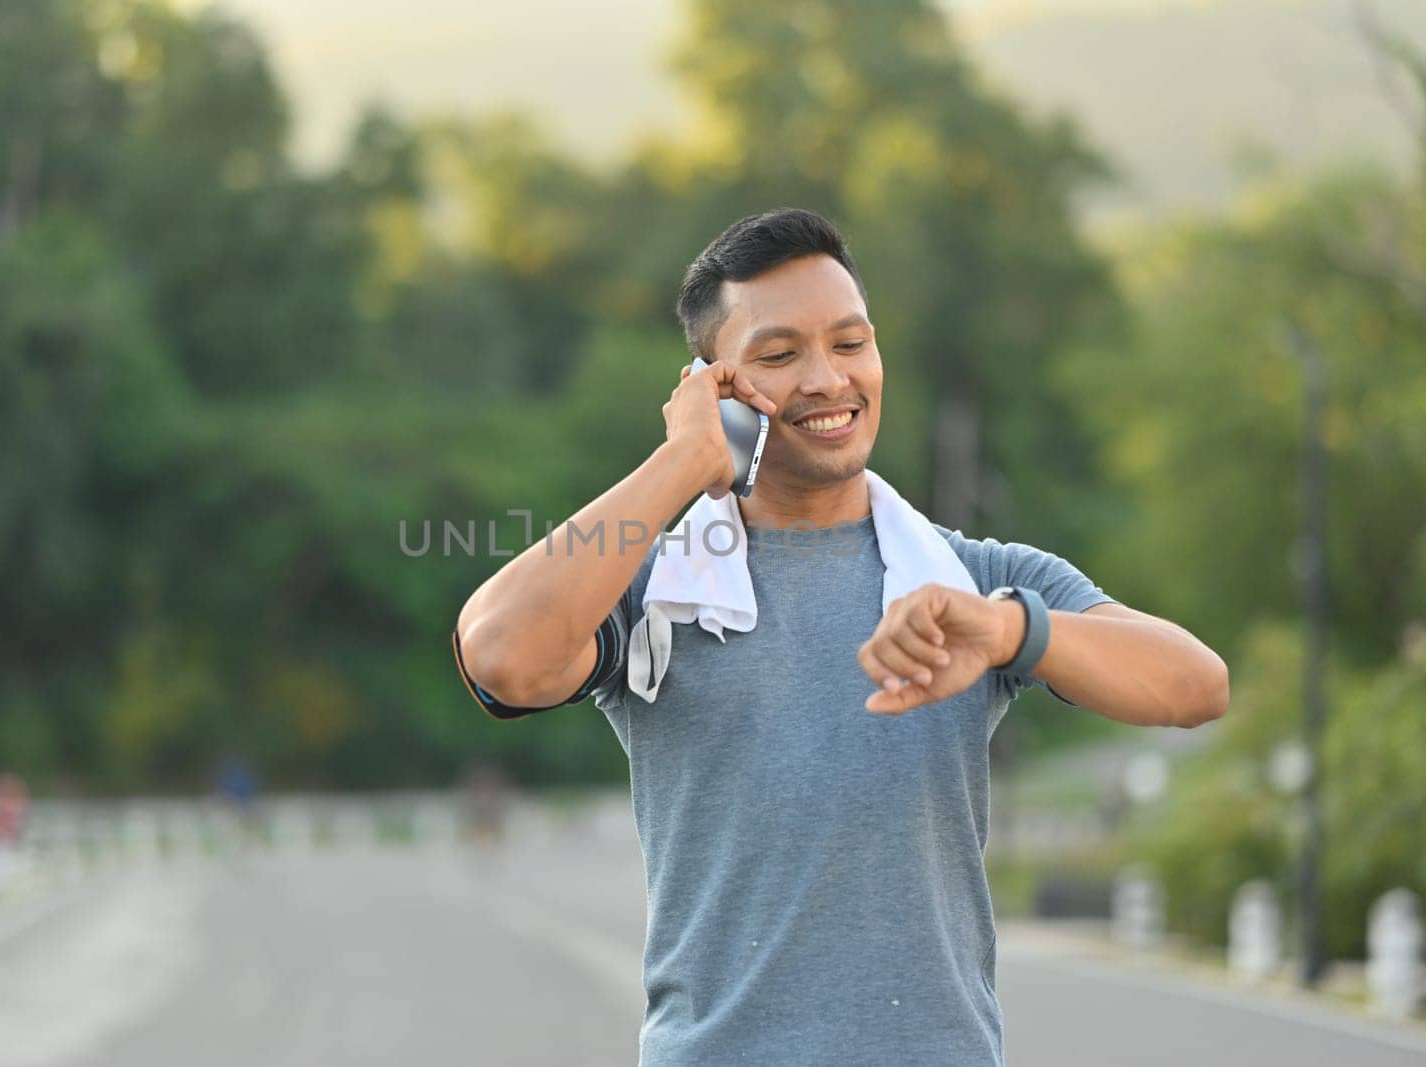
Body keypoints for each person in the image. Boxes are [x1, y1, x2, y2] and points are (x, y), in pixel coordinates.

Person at [451, 208, 1229, 1066]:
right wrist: (683, 462)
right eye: (780, 356)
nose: (828, 379)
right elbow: (501, 656)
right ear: (715, 387)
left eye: (851, 343)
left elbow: (1196, 686)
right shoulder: (658, 590)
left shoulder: (972, 579)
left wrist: (1010, 630)